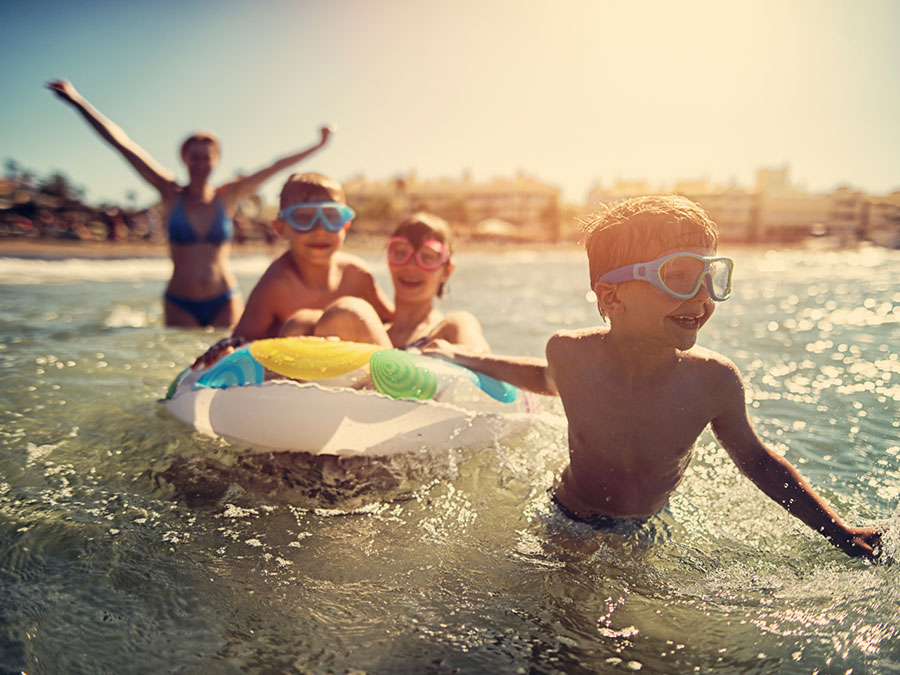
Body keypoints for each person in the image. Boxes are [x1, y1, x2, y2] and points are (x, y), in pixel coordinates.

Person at [425, 195, 884, 559]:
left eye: (710, 277)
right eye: (679, 277)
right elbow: (545, 378)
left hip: (647, 524)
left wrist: (839, 531)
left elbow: (758, 461)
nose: (701, 297)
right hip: (566, 514)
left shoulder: (713, 382)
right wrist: (462, 356)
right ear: (611, 297)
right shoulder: (570, 353)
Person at [47, 79, 333, 328]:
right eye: (194, 156)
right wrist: (78, 102)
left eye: (207, 156)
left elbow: (275, 166)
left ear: (216, 160)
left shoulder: (228, 196)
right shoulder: (170, 193)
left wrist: (318, 146)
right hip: (179, 303)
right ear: (184, 158)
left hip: (225, 300)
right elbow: (123, 145)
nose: (200, 163)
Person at [193, 173, 393, 367]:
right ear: (280, 228)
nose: (320, 229)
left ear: (346, 225)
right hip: (298, 376)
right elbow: (240, 342)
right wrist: (226, 349)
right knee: (301, 323)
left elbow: (393, 321)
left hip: (351, 370)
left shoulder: (356, 274)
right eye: (304, 218)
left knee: (351, 311)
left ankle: (392, 380)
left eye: (331, 217)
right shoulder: (275, 285)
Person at [297, 211, 489, 353]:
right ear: (389, 261)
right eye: (400, 253)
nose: (411, 266)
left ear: (447, 271)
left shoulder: (450, 327)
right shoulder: (368, 330)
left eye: (428, 257)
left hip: (415, 405)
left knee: (348, 311)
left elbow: (480, 354)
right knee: (301, 323)